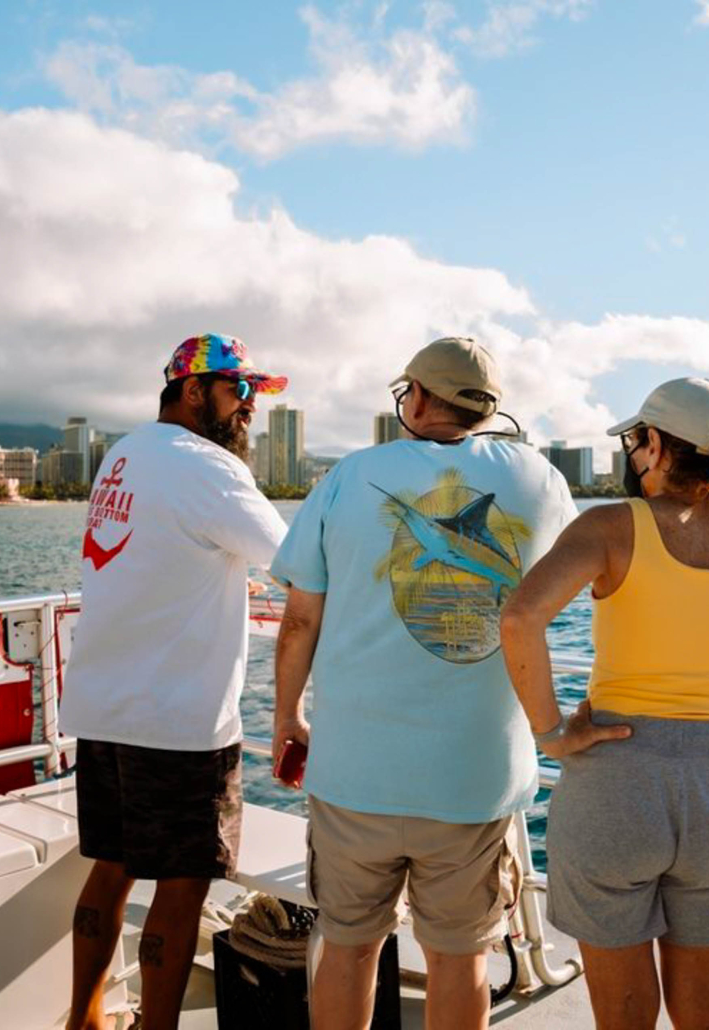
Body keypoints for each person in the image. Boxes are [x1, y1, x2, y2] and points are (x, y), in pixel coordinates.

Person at [269, 337, 588, 1030]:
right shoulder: (541, 479)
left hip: (353, 774)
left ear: (414, 397)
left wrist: (287, 718)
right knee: (459, 959)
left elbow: (298, 622)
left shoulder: (349, 476)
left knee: (348, 948)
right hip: (474, 782)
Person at [499, 377, 709, 1030]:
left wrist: (552, 733)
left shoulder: (611, 526)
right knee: (707, 1008)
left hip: (618, 780)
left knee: (624, 1017)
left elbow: (521, 618)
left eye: (632, 438)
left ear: (653, 446)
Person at [59, 333, 289, 1030]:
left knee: (112, 865)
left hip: (103, 703)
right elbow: (297, 559)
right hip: (177, 717)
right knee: (184, 881)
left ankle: (84, 1020)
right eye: (237, 389)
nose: (249, 407)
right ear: (194, 390)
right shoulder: (207, 468)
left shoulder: (126, 454)